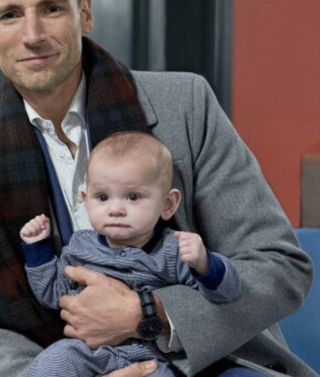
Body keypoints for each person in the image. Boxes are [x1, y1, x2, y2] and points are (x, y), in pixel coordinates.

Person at [0, 0, 316, 376]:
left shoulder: (185, 104)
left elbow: (279, 268)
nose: (32, 35)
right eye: (11, 14)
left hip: (193, 361)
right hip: (45, 362)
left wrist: (151, 313)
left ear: (84, 13)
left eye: (52, 8)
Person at [20, 131, 241, 376]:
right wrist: (37, 248)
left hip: (155, 355)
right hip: (89, 349)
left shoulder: (173, 251)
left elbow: (226, 294)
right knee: (52, 363)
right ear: (86, 199)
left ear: (167, 204)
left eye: (133, 197)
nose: (115, 209)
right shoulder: (80, 247)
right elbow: (53, 294)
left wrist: (205, 263)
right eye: (102, 197)